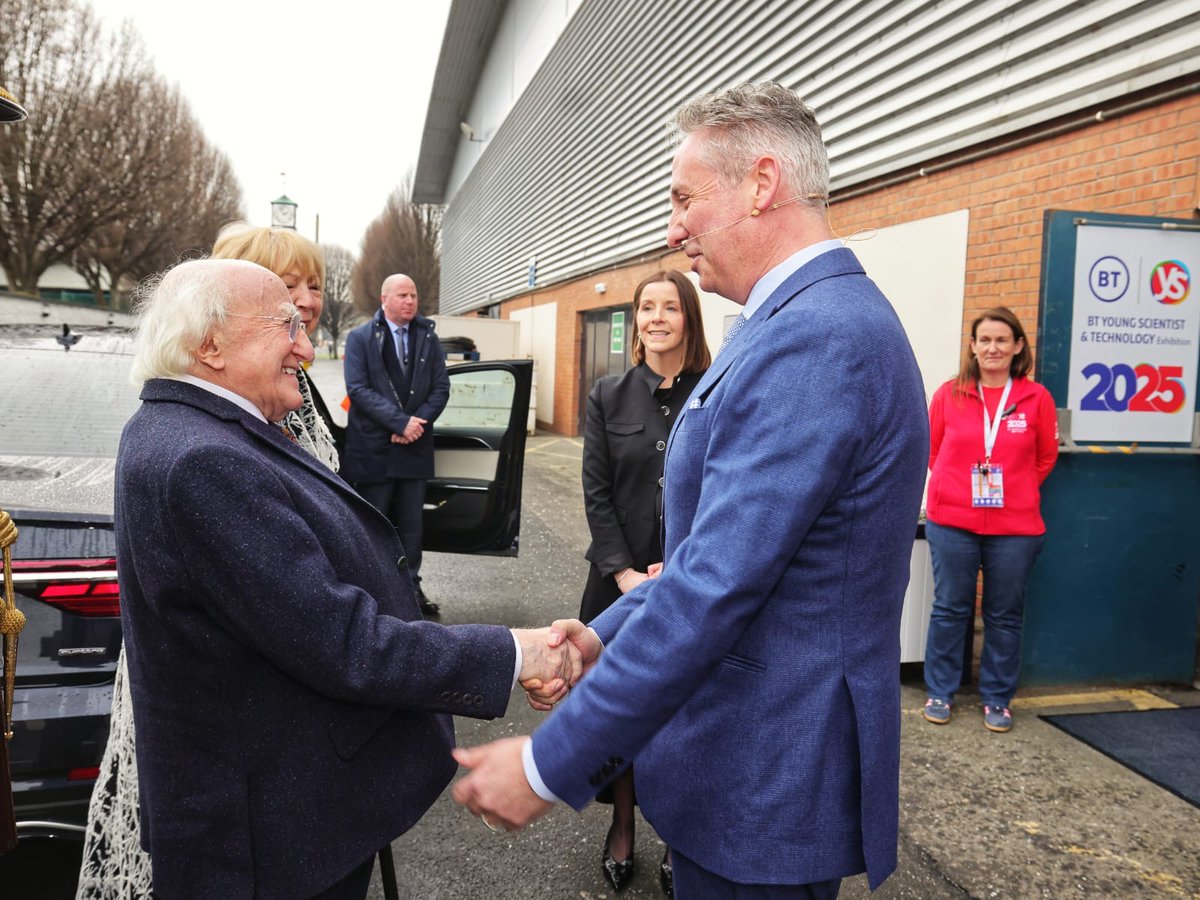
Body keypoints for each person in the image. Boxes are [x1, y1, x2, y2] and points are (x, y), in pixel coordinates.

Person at [452, 81, 929, 899]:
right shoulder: (792, 323)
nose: (672, 229)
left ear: (762, 183)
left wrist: (545, 763)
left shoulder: (819, 339)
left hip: (768, 775)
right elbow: (710, 555)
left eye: (683, 199)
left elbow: (715, 587)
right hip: (748, 765)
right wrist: (603, 635)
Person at [112, 258, 579, 898]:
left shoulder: (194, 430)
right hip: (267, 845)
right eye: (285, 326)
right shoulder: (204, 458)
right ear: (211, 345)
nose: (306, 347)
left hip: (275, 819)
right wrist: (518, 651)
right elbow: (345, 644)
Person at [77, 225, 344, 899]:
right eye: (286, 294)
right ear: (216, 332)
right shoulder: (207, 439)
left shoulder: (292, 391)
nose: (306, 304)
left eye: (313, 287)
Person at [578, 270, 709, 895]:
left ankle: (682, 838)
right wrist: (626, 572)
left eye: (670, 307)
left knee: (689, 713)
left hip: (695, 581)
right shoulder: (608, 395)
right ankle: (623, 823)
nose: (656, 318)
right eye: (645, 308)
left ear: (689, 318)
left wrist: (680, 564)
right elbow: (597, 493)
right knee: (625, 712)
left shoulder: (715, 391)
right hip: (618, 585)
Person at [921, 306, 1058, 733]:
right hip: (953, 521)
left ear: (1018, 346)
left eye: (1002, 340)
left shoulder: (1036, 399)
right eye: (985, 340)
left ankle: (997, 698)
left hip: (1014, 527)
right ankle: (939, 690)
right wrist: (959, 489)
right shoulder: (949, 394)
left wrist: (1013, 489)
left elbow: (1044, 458)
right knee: (949, 610)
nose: (993, 347)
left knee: (1003, 614)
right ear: (974, 347)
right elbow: (933, 451)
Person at [342, 274, 448, 616]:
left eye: (414, 295)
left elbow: (441, 388)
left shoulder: (427, 337)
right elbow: (358, 390)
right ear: (384, 298)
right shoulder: (360, 338)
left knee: (412, 526)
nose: (410, 301)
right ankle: (373, 592)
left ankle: (411, 590)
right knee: (374, 524)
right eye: (403, 295)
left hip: (414, 448)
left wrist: (415, 424)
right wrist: (400, 422)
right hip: (374, 448)